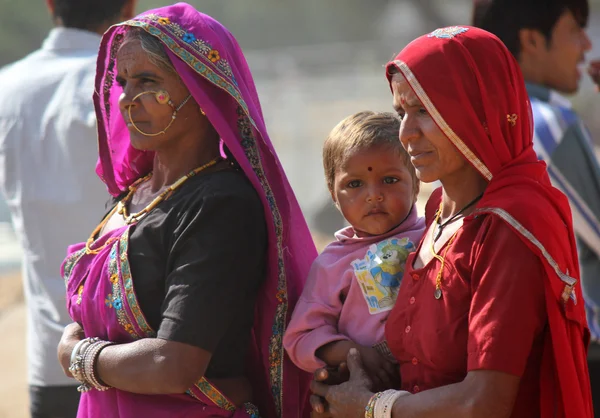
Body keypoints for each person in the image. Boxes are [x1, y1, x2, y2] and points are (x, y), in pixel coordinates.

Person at [309, 26, 592, 418]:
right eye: (401, 113)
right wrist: (347, 381)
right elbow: (418, 358)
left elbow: (485, 401)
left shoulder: (508, 225)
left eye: (425, 110)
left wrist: (372, 408)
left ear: (479, 108)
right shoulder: (439, 211)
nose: (406, 134)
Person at [55, 3, 317, 417]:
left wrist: (77, 358)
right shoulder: (135, 194)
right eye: (123, 82)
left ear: (200, 91)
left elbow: (173, 364)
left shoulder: (219, 205)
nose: (126, 100)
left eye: (147, 81)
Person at [0, 0, 135, 416]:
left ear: (50, 5)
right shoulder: (127, 85)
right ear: (129, 7)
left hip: (49, 358)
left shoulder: (7, 86)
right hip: (133, 360)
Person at [472, 0, 600, 338]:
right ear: (531, 40)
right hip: (582, 340)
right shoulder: (548, 125)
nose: (586, 45)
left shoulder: (473, 121)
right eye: (573, 31)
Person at [283, 111, 425, 390]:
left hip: (436, 390)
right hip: (366, 393)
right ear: (333, 194)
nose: (374, 194)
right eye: (355, 184)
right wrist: (351, 353)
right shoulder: (332, 264)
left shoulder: (434, 237)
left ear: (417, 182)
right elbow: (301, 337)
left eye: (390, 180)